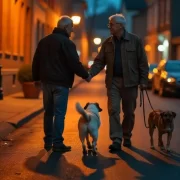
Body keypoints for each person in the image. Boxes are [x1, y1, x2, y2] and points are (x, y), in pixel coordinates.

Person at [88, 14, 149, 151]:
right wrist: (90, 74)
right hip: (113, 81)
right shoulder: (107, 42)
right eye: (109, 24)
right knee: (113, 110)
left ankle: (126, 136)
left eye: (112, 24)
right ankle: (116, 138)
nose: (109, 27)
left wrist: (143, 81)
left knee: (129, 112)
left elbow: (143, 63)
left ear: (121, 26)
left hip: (130, 82)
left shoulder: (135, 41)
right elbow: (99, 62)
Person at [32, 15, 91, 152]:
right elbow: (74, 63)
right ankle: (57, 143)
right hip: (61, 84)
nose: (72, 31)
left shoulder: (44, 41)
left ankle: (48, 142)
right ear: (65, 27)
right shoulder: (67, 43)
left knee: (48, 112)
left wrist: (36, 79)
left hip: (47, 83)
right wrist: (85, 75)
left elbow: (36, 61)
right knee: (59, 114)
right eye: (71, 28)